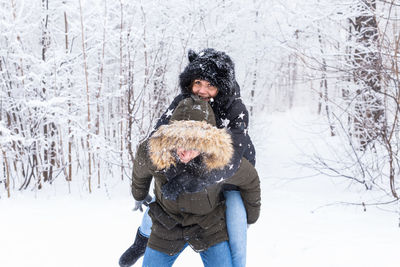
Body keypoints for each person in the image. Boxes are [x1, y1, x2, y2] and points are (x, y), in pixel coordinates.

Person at [120, 48, 256, 267]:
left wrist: (195, 178)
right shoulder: (183, 101)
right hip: (187, 167)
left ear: (221, 87)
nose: (202, 90)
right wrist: (175, 173)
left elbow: (229, 159)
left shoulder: (235, 110)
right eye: (198, 83)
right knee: (162, 198)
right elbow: (160, 141)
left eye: (210, 86)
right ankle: (141, 241)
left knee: (236, 219)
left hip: (226, 176)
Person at [131, 96, 261, 266]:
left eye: (193, 145)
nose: (185, 152)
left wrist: (250, 217)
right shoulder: (153, 153)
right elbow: (140, 173)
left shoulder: (221, 160)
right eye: (179, 142)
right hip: (166, 225)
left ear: (206, 144)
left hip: (208, 227)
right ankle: (139, 242)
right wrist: (139, 195)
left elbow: (251, 180)